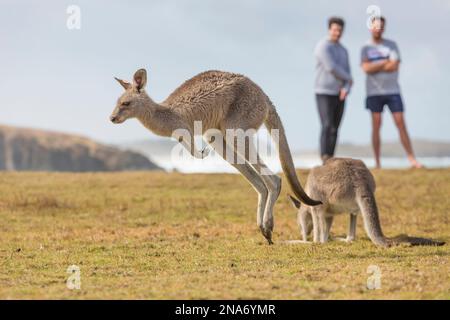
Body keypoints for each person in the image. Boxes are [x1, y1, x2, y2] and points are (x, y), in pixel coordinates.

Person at [361, 16, 422, 169]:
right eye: (375, 26)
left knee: (400, 123)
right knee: (376, 125)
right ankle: (377, 162)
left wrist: (375, 65)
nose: (378, 29)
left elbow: (394, 66)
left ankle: (412, 159)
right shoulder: (365, 48)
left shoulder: (391, 45)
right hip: (374, 92)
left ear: (384, 28)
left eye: (381, 26)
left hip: (393, 91)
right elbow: (366, 69)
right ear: (370, 28)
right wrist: (384, 62)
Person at [314, 16, 353, 164]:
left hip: (340, 94)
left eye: (340, 30)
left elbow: (348, 72)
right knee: (327, 124)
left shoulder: (344, 51)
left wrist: (346, 87)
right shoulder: (323, 46)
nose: (337, 32)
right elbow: (331, 67)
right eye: (335, 29)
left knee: (336, 127)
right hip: (323, 92)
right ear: (330, 29)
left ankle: (330, 157)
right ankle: (324, 156)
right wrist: (349, 79)